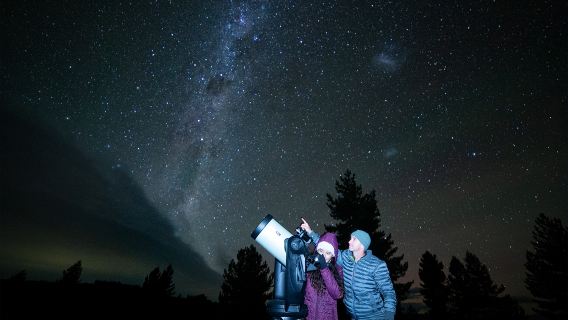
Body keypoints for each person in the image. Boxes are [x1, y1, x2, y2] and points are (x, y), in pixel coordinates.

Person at [300, 218, 397, 320]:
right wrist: (310, 232)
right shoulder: (345, 257)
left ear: (362, 244)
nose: (349, 241)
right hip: (353, 316)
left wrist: (389, 315)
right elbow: (328, 247)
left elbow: (389, 293)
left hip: (373, 316)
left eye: (354, 239)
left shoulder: (377, 265)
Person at [304, 232, 344, 320]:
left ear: (333, 256)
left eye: (328, 253)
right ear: (316, 251)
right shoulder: (310, 268)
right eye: (321, 251)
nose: (323, 256)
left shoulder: (337, 271)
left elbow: (337, 294)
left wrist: (324, 268)